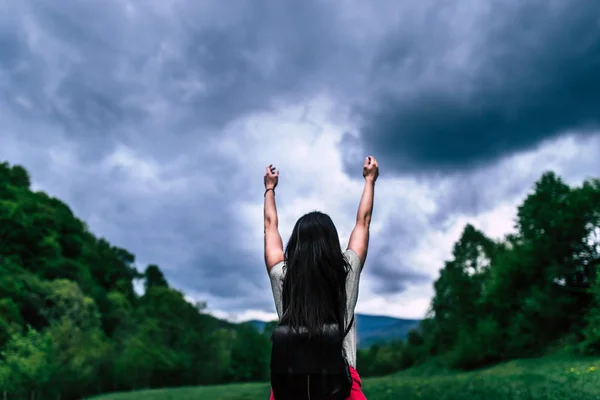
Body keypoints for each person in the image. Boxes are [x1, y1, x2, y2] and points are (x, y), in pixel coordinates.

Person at [264, 156, 379, 400]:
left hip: (288, 390)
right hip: (341, 388)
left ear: (295, 245)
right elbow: (363, 222)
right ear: (331, 243)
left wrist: (269, 189)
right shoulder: (345, 271)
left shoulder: (282, 276)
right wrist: (369, 180)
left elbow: (270, 228)